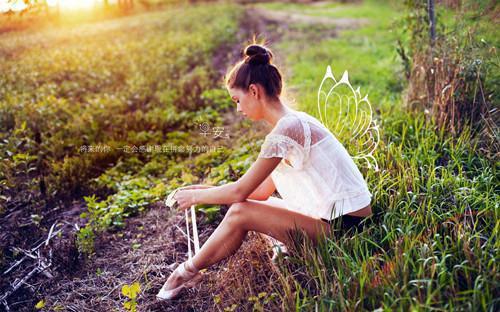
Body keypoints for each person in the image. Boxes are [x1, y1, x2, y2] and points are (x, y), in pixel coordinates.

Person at [156, 43, 373, 300]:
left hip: (347, 230)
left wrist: (195, 198)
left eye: (238, 100)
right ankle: (194, 269)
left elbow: (240, 192)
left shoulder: (287, 130)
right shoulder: (293, 123)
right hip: (343, 220)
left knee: (239, 211)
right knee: (245, 205)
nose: (238, 109)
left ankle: (184, 272)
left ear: (254, 91)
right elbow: (259, 192)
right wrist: (203, 190)